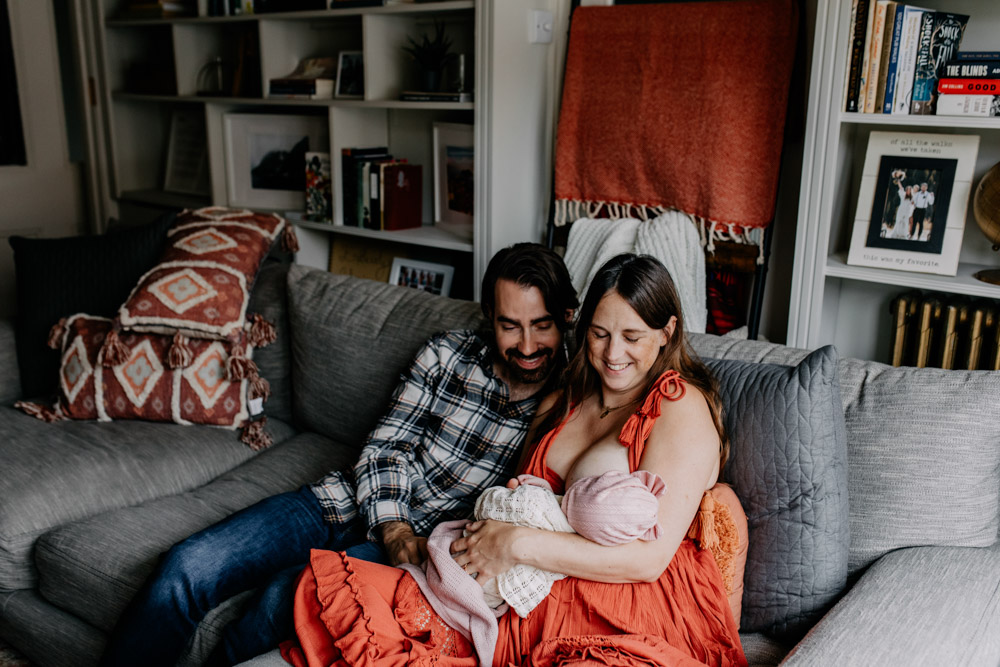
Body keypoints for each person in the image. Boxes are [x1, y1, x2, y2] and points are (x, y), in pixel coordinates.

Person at [98, 242, 579, 667]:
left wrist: (403, 543)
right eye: (510, 326)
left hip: (421, 549)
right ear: (488, 318)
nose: (528, 345)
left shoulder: (570, 405)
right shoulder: (445, 354)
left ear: (566, 319)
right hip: (344, 500)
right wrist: (394, 528)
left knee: (276, 600)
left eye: (543, 326)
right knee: (187, 565)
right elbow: (385, 447)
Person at [283, 254, 746, 667]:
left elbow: (648, 561)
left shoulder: (678, 405)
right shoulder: (560, 403)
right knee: (326, 592)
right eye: (600, 334)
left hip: (629, 605)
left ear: (666, 332)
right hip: (525, 595)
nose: (612, 354)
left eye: (632, 337)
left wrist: (515, 545)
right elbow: (514, 496)